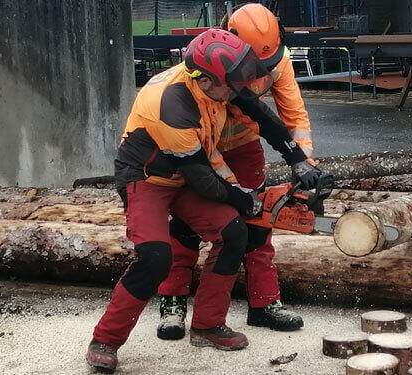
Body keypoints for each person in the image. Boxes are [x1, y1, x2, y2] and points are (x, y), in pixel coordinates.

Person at [86, 29, 279, 373]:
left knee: (234, 234)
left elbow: (260, 114)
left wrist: (296, 156)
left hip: (186, 173)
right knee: (155, 256)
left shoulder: (218, 85)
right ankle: (105, 340)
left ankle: (207, 326)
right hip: (147, 178)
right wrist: (243, 198)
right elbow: (203, 180)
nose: (238, 90)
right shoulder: (171, 103)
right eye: (231, 84)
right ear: (204, 80)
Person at [156, 3, 320, 341]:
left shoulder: (280, 62)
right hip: (200, 147)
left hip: (245, 144)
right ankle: (173, 299)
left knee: (258, 223)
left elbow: (294, 115)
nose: (260, 73)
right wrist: (228, 185)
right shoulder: (204, 64)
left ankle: (264, 303)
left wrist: (306, 165)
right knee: (188, 225)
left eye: (266, 64)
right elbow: (195, 136)